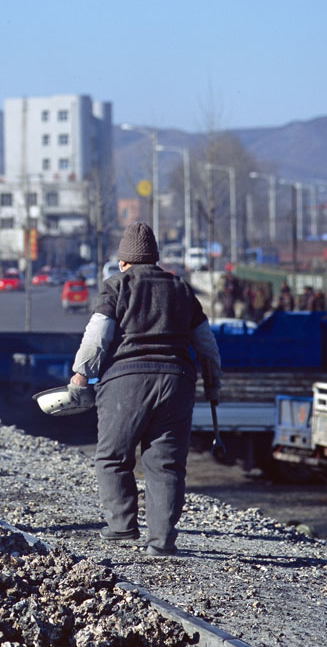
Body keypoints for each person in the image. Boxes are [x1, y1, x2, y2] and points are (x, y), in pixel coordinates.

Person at [68, 222, 222, 557]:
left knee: (112, 456)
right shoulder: (181, 288)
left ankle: (122, 525)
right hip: (177, 382)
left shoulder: (116, 286)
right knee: (166, 465)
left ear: (124, 261)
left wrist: (80, 377)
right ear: (155, 258)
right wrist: (213, 384)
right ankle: (162, 542)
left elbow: (97, 338)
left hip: (126, 381)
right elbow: (206, 344)